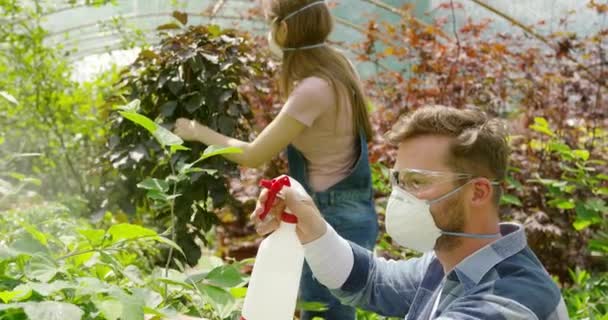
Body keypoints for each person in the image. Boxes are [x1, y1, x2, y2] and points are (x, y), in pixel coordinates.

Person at [252, 105, 570, 320]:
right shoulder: (447, 265)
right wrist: (311, 223)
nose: (401, 196)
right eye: (399, 180)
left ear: (478, 192)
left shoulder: (512, 298)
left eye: (417, 182)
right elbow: (371, 280)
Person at [173, 1, 378, 319]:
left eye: (270, 22)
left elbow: (254, 154)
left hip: (331, 217)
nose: (267, 30)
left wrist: (197, 131)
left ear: (283, 28)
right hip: (355, 211)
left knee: (324, 313)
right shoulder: (338, 67)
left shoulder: (313, 89)